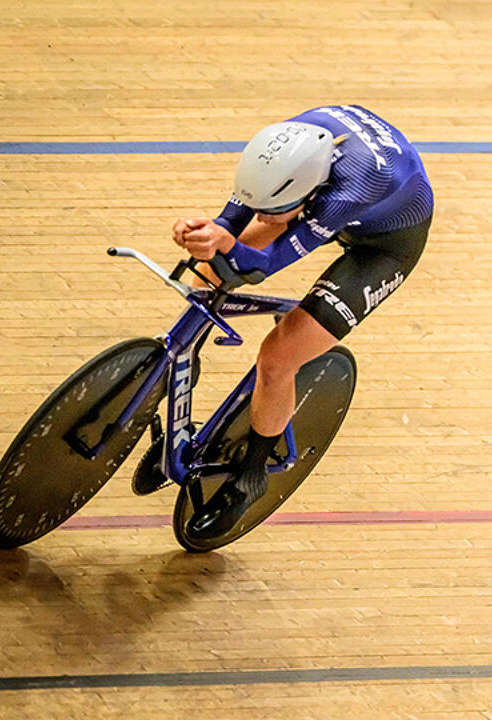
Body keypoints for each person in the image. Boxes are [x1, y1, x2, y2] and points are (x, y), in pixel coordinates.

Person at [163, 105, 433, 540]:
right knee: (208, 270)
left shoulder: (350, 190)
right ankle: (182, 362)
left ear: (310, 192)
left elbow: (263, 262)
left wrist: (226, 243)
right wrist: (203, 232)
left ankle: (250, 477)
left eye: (276, 210)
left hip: (384, 245)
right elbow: (231, 222)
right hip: (332, 191)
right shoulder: (284, 146)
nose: (264, 217)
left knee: (277, 358)